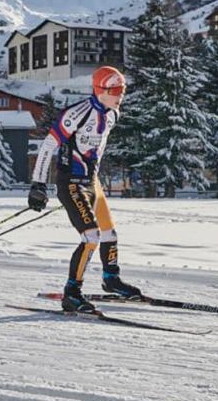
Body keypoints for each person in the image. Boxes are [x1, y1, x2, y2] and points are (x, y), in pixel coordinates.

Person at [27, 65, 141, 312]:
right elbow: (48, 146)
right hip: (71, 183)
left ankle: (111, 279)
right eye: (116, 90)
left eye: (123, 89)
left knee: (110, 234)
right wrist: (38, 185)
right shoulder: (76, 113)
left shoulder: (112, 114)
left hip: (92, 183)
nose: (121, 95)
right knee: (91, 236)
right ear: (101, 90)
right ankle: (72, 293)